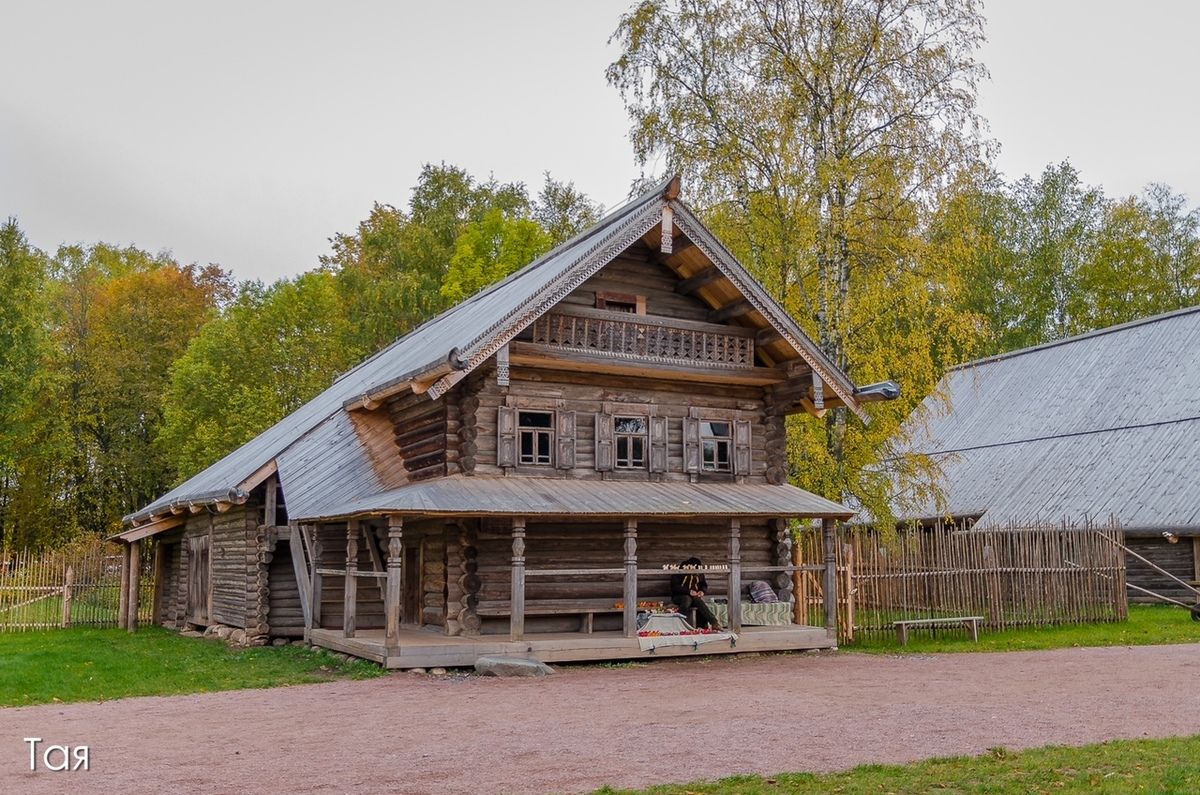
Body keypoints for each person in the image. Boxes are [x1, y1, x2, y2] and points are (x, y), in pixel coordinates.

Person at [670, 556, 723, 630]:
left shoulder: (699, 573)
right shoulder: (679, 572)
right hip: (679, 596)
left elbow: (703, 585)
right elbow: (675, 587)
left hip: (694, 597)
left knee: (698, 600)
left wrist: (702, 591)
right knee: (687, 599)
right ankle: (679, 623)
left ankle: (714, 623)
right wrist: (688, 591)